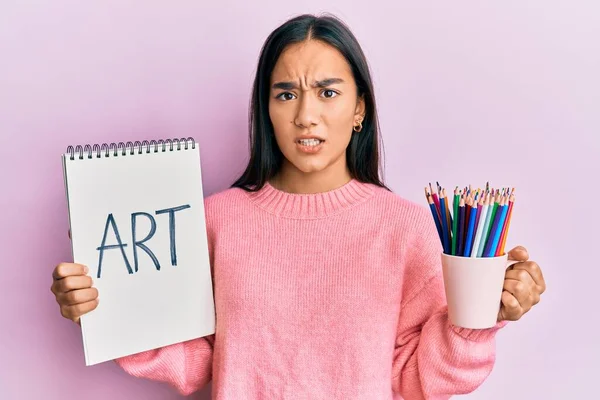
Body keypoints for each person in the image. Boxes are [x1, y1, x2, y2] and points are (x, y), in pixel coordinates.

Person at [50, 13, 546, 399]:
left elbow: (421, 376)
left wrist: (478, 315)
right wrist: (105, 309)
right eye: (285, 94)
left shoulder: (405, 228)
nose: (306, 115)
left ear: (359, 109)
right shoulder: (215, 221)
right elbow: (200, 362)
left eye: (328, 92)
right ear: (266, 109)